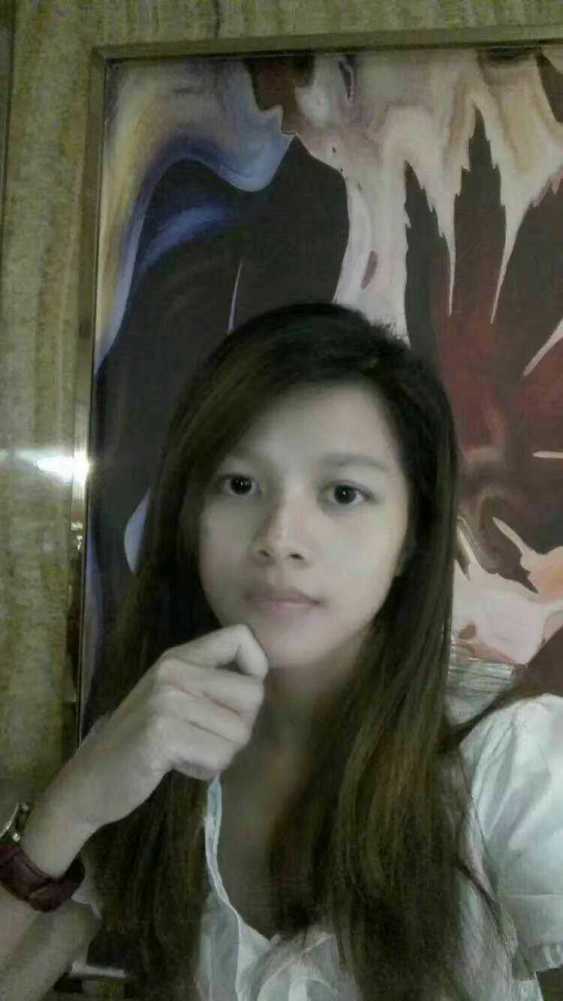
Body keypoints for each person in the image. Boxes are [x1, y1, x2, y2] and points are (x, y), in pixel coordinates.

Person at [1, 302, 562, 1001]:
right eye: (239, 485)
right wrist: (72, 807)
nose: (278, 538)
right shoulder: (153, 742)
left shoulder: (510, 757)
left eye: (343, 493)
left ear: (411, 538)